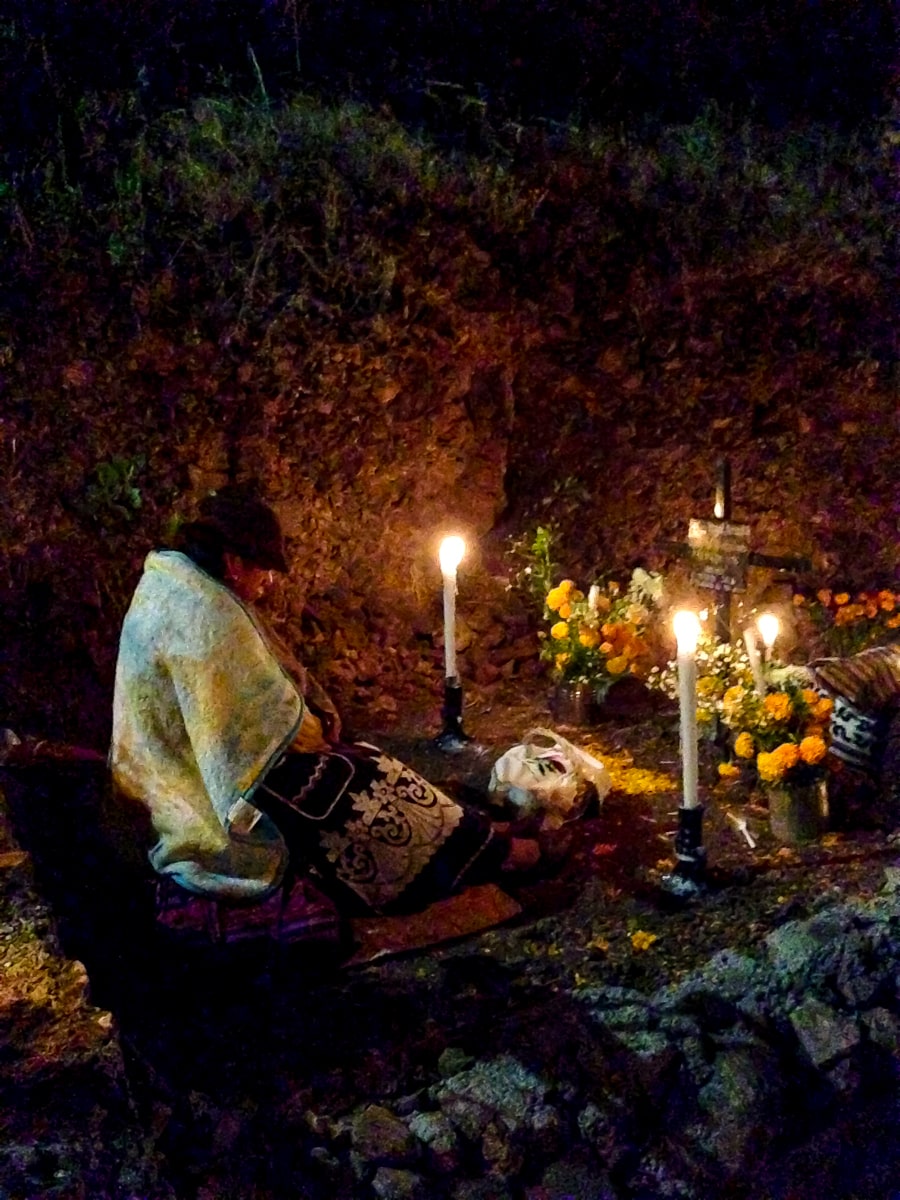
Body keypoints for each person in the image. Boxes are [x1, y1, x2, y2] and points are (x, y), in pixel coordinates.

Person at [109, 486, 542, 935]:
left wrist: (316, 721)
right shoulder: (203, 610)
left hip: (193, 769)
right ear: (235, 562)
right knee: (354, 785)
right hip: (200, 793)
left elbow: (259, 688)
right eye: (265, 570)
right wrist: (316, 734)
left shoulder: (180, 583)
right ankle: (495, 857)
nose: (269, 583)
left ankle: (478, 838)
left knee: (358, 764)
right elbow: (254, 727)